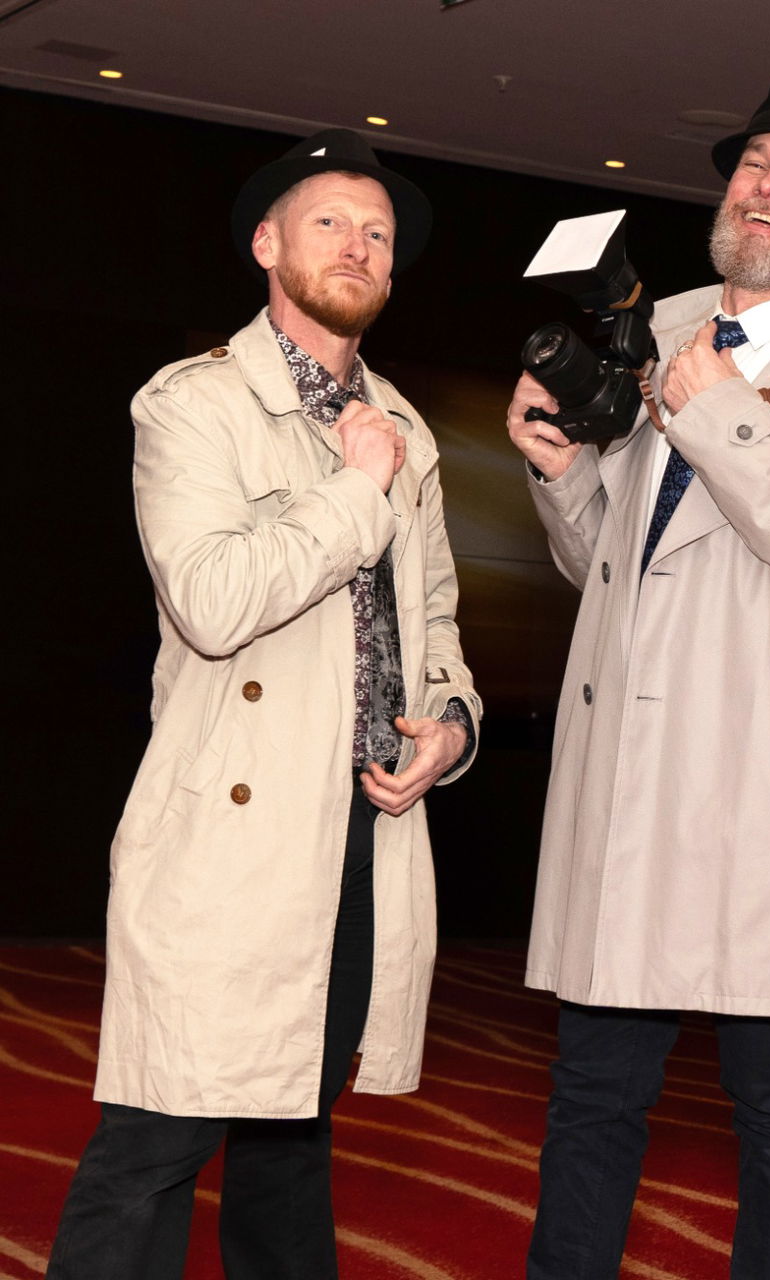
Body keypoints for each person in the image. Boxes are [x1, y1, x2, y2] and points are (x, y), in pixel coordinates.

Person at [507, 70, 770, 1280]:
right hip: (637, 784)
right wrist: (562, 475)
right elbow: (610, 566)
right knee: (593, 1093)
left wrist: (726, 415)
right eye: (754, 165)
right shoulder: (651, 349)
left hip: (768, 798)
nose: (767, 188)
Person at [48, 128, 480, 1279]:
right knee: (156, 1140)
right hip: (233, 835)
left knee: (294, 1135)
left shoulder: (405, 427)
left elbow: (435, 621)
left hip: (361, 836)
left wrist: (450, 725)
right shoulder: (194, 402)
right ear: (267, 245)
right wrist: (356, 486)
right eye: (329, 221)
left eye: (378, 232)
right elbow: (214, 599)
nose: (359, 244)